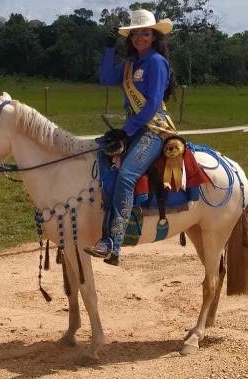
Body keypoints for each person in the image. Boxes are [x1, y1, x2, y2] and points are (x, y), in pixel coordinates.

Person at [84, 9, 177, 266]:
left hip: (154, 129)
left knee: (126, 176)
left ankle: (113, 243)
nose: (140, 37)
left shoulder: (157, 62)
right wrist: (108, 48)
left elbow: (152, 105)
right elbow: (105, 77)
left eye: (145, 33)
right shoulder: (130, 63)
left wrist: (127, 131)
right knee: (99, 158)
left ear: (154, 36)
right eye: (135, 33)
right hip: (134, 127)